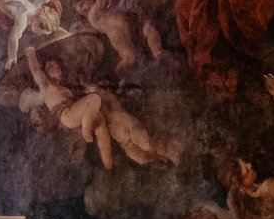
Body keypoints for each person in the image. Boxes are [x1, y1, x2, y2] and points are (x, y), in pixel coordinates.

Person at [26, 46, 179, 170]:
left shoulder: (86, 94)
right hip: (91, 122)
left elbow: (107, 104)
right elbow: (36, 71)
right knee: (141, 150)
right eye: (51, 67)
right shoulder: (48, 86)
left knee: (142, 151)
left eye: (56, 66)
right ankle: (166, 155)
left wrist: (98, 93)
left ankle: (168, 153)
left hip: (121, 123)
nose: (56, 68)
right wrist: (31, 54)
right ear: (46, 72)